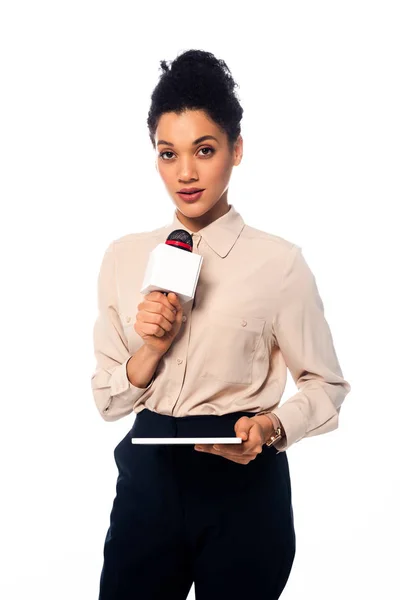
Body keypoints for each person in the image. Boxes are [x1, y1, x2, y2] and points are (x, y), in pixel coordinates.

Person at [91, 49, 351, 600]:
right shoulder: (123, 258)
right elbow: (108, 402)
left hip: (243, 486)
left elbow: (326, 385)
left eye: (203, 150)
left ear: (236, 150)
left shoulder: (278, 264)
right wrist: (151, 350)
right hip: (148, 482)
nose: (185, 173)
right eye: (168, 153)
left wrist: (273, 429)